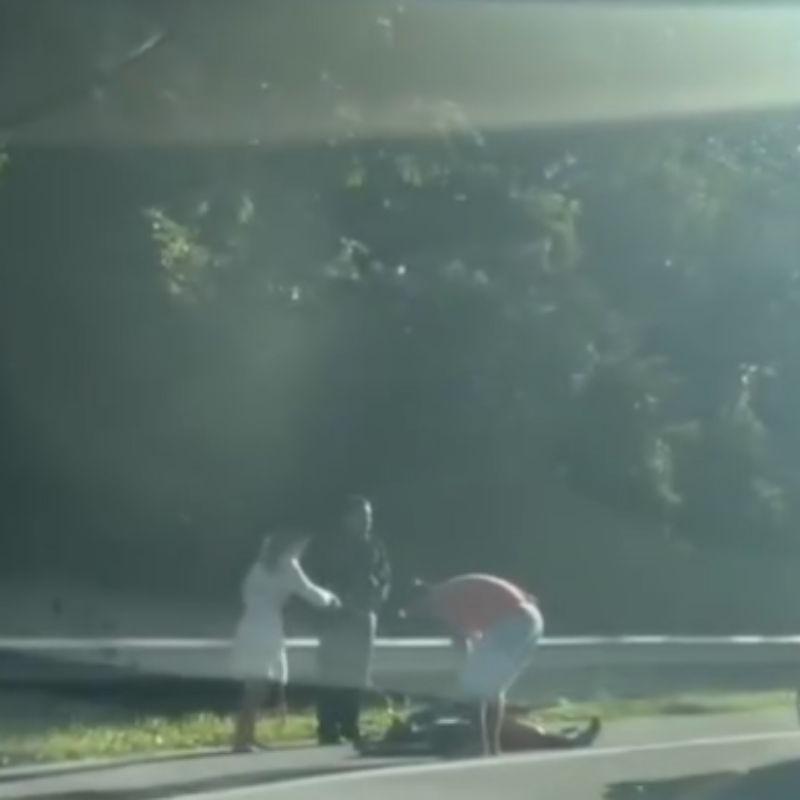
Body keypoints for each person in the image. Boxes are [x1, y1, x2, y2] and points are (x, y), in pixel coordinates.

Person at [407, 573, 544, 756]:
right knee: (493, 688)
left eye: (415, 609)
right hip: (530, 619)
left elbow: (463, 642)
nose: (420, 614)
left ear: (422, 599)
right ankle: (492, 745)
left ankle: (480, 743)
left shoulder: (442, 601)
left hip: (513, 621)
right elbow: (476, 637)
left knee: (475, 686)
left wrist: (462, 671)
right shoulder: (455, 588)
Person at [230, 531, 340, 753]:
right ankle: (242, 739)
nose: (302, 552)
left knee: (255, 685)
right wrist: (331, 599)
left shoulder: (260, 565)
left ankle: (247, 735)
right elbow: (308, 591)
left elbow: (246, 593)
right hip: (267, 627)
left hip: (250, 624)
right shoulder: (288, 565)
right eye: (301, 546)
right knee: (257, 686)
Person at [307, 495, 391, 745]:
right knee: (332, 671)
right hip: (336, 617)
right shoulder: (329, 545)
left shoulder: (375, 545)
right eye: (361, 515)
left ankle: (349, 723)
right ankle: (327, 726)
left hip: (364, 617)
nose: (367, 521)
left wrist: (376, 597)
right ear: (346, 518)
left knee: (357, 673)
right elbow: (316, 579)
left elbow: (385, 577)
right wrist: (337, 599)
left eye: (369, 516)